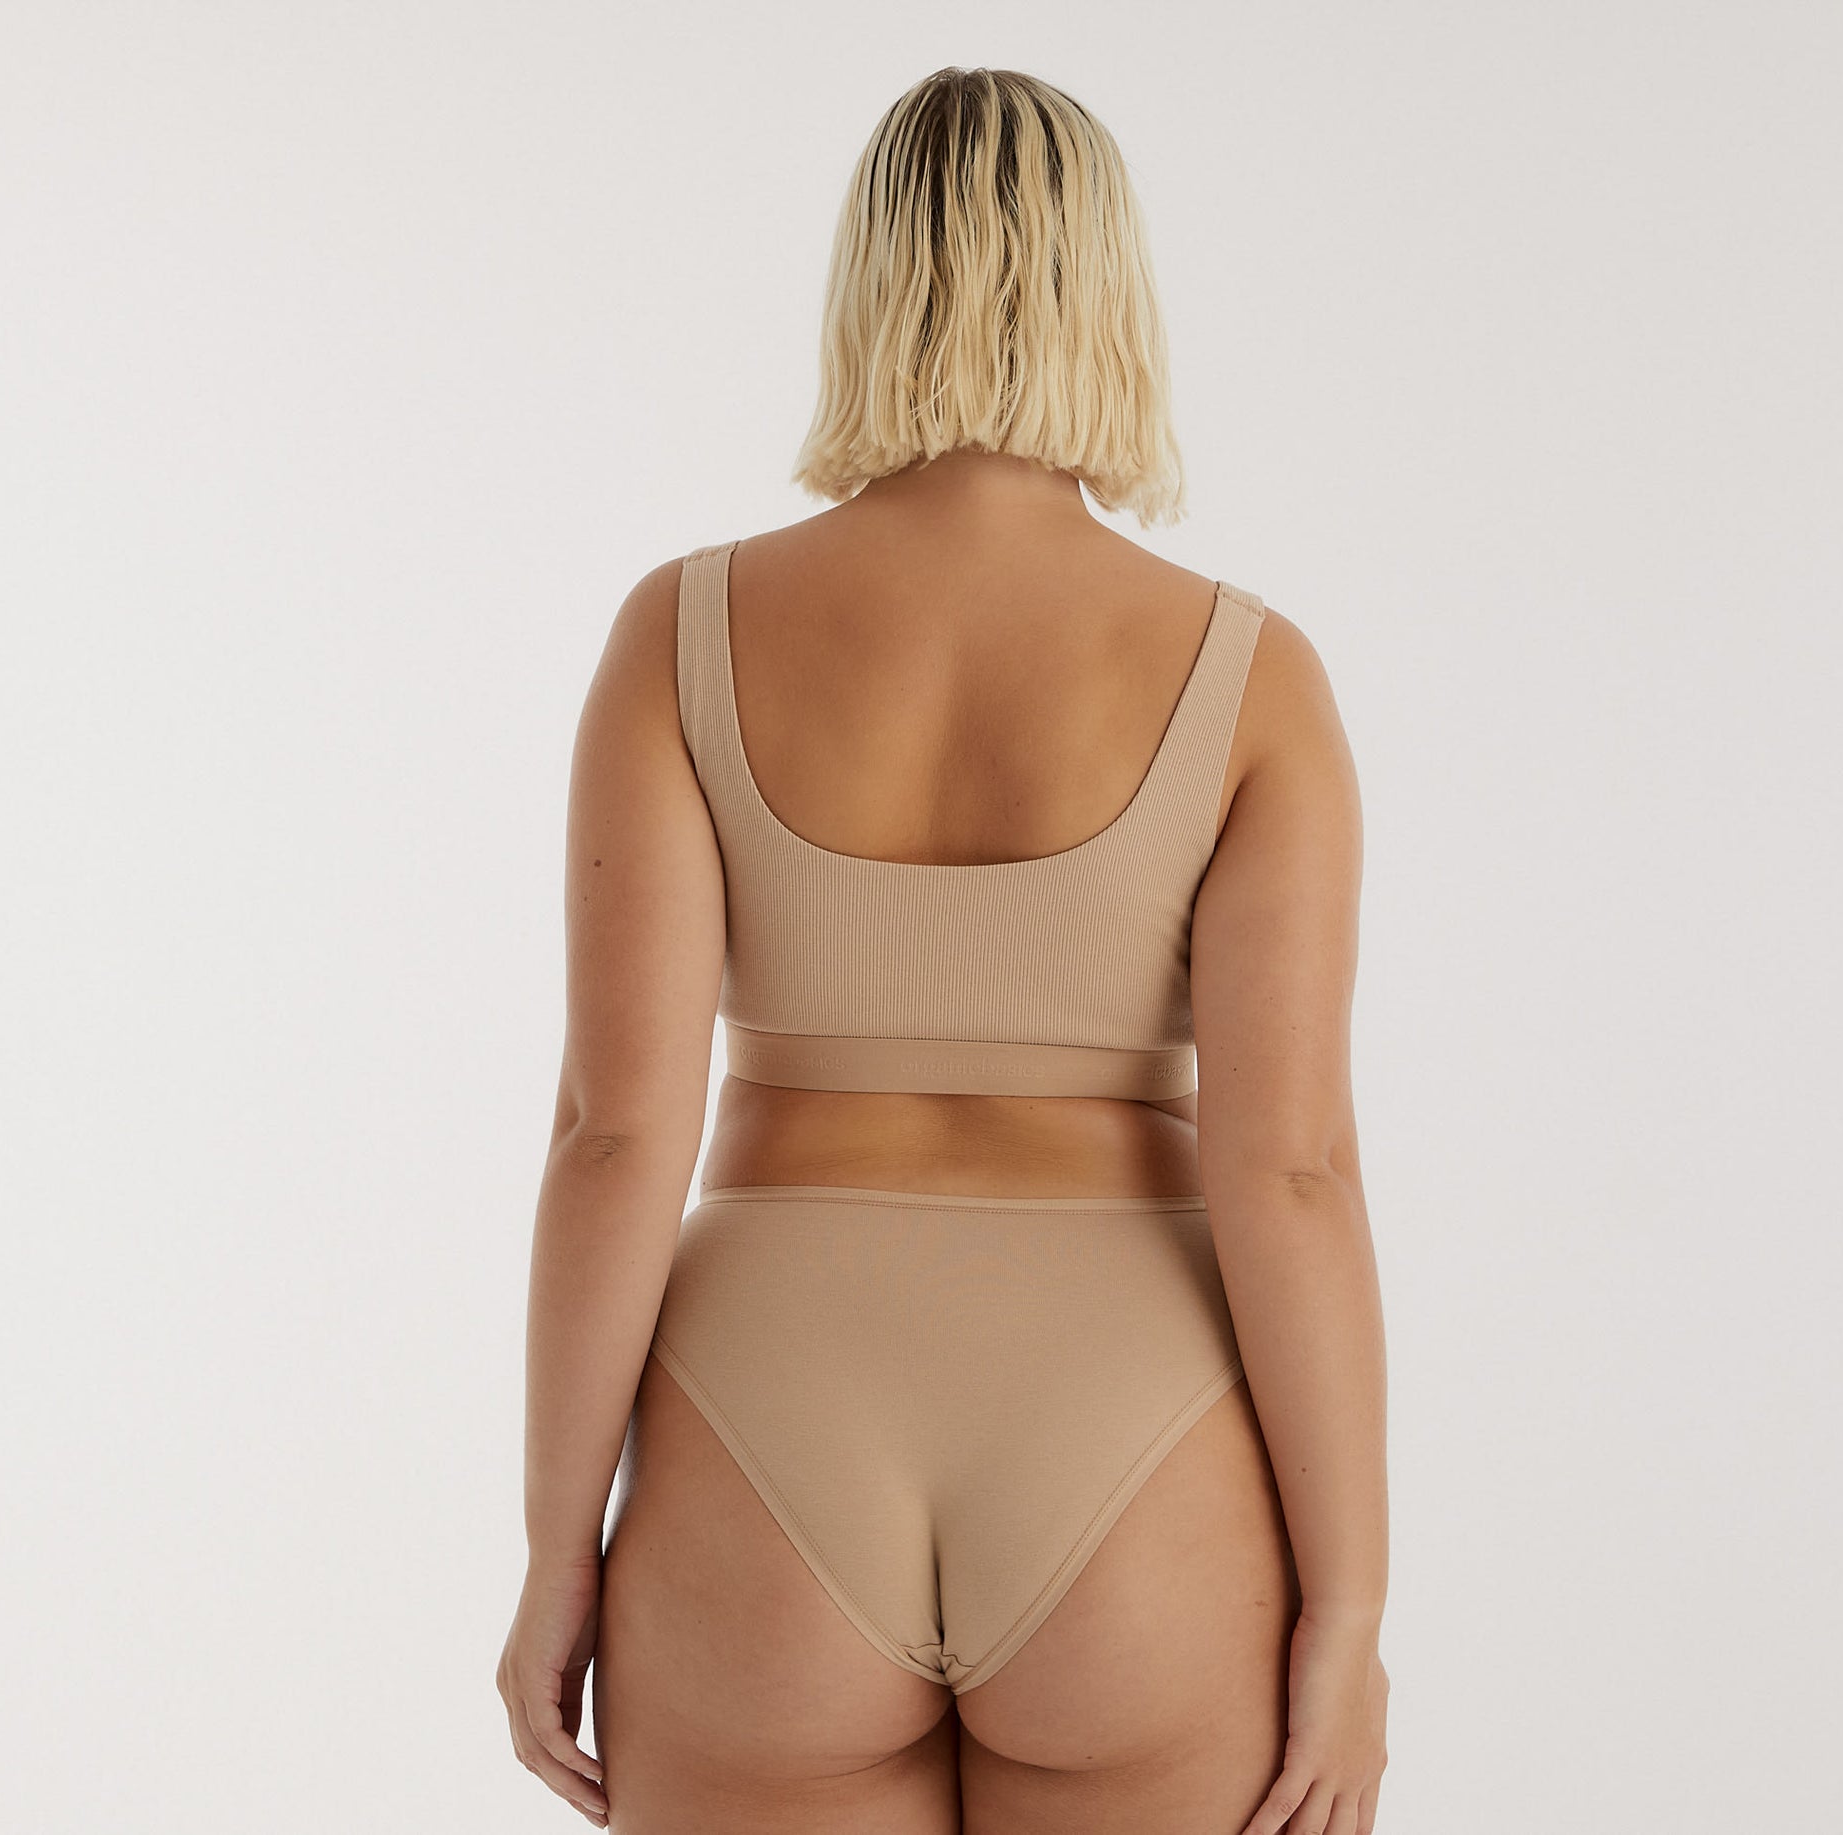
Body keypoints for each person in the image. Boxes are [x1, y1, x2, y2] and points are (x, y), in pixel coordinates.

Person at [497, 64, 1390, 1835]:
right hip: (1138, 1435)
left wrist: (554, 1551)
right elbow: (1287, 1170)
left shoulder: (682, 632)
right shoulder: (1248, 674)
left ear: (869, 283)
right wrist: (1350, 1612)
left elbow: (613, 1133)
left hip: (763, 1423)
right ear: (1109, 291)